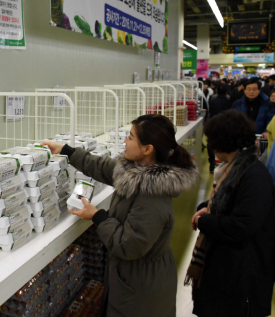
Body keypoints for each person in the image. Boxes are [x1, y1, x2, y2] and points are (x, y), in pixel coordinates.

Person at [42, 114, 199, 317]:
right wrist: (66, 151)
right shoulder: (138, 170)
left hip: (142, 288)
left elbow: (128, 245)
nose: (125, 140)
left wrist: (98, 217)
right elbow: (103, 167)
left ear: (147, 149)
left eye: (131, 137)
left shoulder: (152, 195)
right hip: (133, 278)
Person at [187, 109, 275, 317]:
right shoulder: (235, 169)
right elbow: (230, 201)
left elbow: (242, 226)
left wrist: (205, 221)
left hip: (243, 276)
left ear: (223, 141)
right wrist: (207, 206)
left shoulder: (253, 176)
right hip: (228, 270)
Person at [207, 84, 231, 172]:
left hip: (213, 123)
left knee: (211, 143)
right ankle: (223, 162)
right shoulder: (229, 101)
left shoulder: (212, 100)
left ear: (217, 91)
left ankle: (212, 161)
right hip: (226, 124)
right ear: (226, 92)